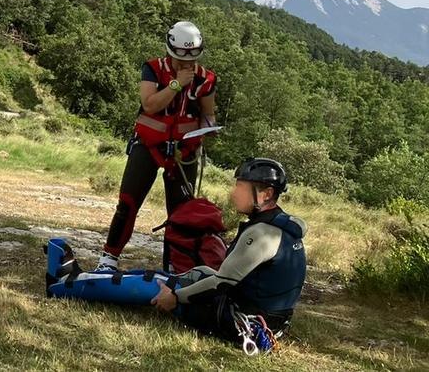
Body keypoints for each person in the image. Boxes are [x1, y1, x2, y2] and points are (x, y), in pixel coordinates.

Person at [97, 21, 217, 271]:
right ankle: (109, 259)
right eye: (180, 58)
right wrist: (176, 84)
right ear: (169, 52)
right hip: (148, 146)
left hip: (184, 155)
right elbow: (149, 104)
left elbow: (208, 113)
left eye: (192, 58)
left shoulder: (206, 80)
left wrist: (207, 130)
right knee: (128, 202)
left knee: (181, 214)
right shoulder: (153, 69)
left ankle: (175, 267)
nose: (187, 63)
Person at [152, 158, 307, 343]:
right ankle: (161, 284)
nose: (234, 194)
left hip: (249, 325)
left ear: (266, 194)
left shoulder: (262, 233)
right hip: (274, 320)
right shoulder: (282, 224)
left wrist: (175, 298)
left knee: (162, 293)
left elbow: (220, 284)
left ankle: (121, 287)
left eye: (240, 187)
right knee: (200, 272)